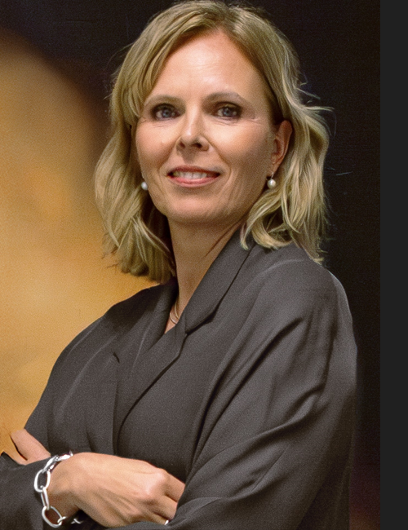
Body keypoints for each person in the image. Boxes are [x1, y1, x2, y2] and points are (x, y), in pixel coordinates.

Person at [0, 1, 357, 529]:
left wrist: (49, 499)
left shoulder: (298, 305)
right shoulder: (109, 335)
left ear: (277, 148)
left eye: (225, 110)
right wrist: (71, 480)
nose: (189, 135)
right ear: (136, 143)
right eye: (165, 111)